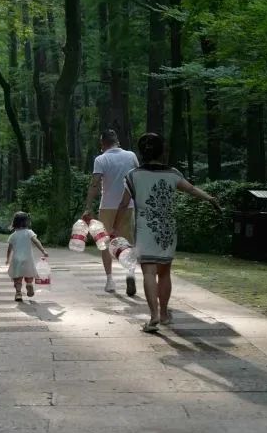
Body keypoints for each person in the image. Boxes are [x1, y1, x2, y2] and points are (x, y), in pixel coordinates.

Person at [109, 132, 221, 333]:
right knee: (165, 272)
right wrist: (211, 199)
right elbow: (193, 190)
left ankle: (153, 317)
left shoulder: (133, 176)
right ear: (162, 151)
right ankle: (164, 314)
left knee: (149, 272)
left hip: (145, 229)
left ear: (141, 152)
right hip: (167, 230)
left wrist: (115, 227)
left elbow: (124, 204)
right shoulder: (173, 174)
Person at [83, 129, 139, 295]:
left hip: (107, 206)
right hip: (128, 205)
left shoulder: (101, 159)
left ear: (102, 143)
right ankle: (130, 274)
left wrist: (88, 206)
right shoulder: (131, 156)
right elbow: (138, 177)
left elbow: (94, 184)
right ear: (117, 141)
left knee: (105, 244)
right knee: (127, 243)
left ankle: (110, 280)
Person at [6, 211, 49, 302]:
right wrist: (43, 250)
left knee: (17, 277)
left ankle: (18, 293)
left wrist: (7, 259)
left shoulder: (13, 236)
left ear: (15, 222)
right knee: (29, 275)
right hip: (28, 259)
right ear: (26, 222)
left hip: (17, 259)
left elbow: (9, 249)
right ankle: (29, 284)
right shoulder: (29, 232)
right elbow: (36, 241)